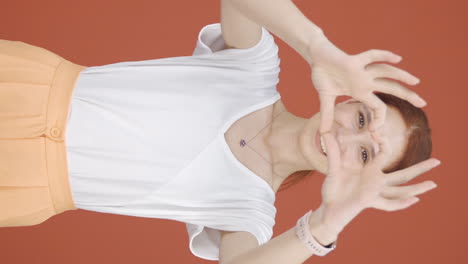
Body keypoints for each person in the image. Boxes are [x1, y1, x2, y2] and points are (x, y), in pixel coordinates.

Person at [0, 0, 440, 263]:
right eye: (361, 120)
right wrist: (317, 49)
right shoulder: (252, 68)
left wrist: (327, 224)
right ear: (348, 99)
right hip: (22, 85)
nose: (345, 139)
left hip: (20, 186)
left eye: (365, 155)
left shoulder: (246, 210)